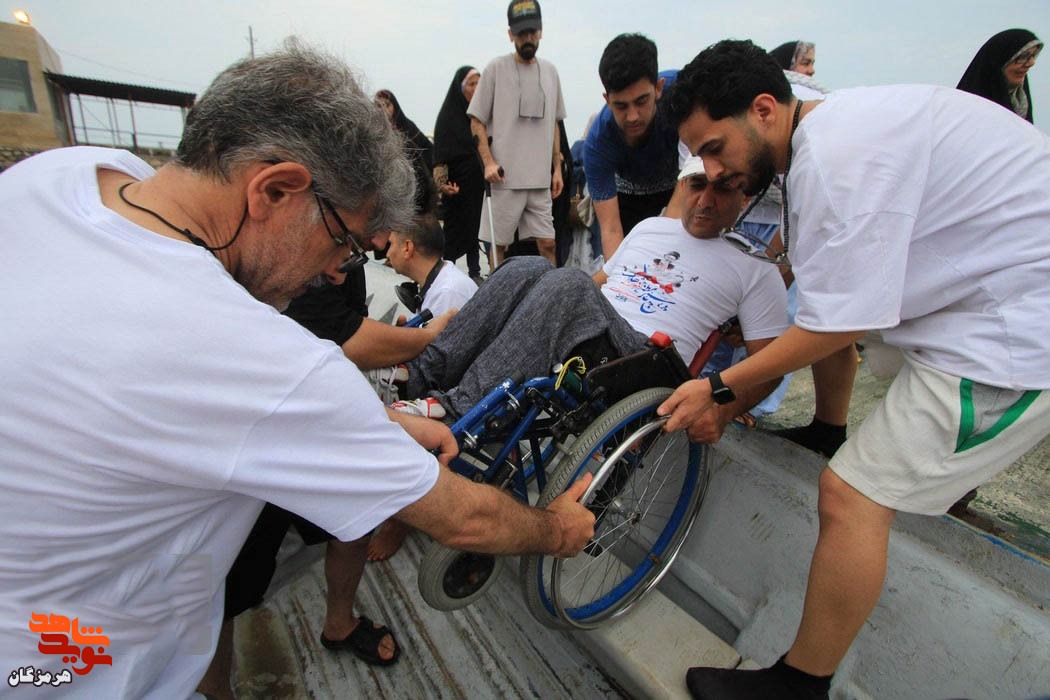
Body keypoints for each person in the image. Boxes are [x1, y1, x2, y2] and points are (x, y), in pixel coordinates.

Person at [0, 41, 595, 698]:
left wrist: (379, 422)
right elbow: (462, 520)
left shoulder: (63, 174)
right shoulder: (251, 353)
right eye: (344, 243)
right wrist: (556, 529)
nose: (339, 272)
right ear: (275, 189)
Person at [662, 39, 1050, 699]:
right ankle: (827, 428)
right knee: (857, 339)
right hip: (982, 295)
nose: (714, 171)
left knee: (852, 496)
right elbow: (827, 286)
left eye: (716, 149)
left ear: (764, 110)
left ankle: (799, 686)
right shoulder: (828, 128)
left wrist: (720, 387)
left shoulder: (834, 160)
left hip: (1015, 333)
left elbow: (833, 327)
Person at [398, 156, 789, 443]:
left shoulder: (755, 269)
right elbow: (598, 283)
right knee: (527, 266)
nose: (705, 199)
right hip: (595, 331)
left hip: (646, 361)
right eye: (698, 184)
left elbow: (770, 368)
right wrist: (537, 292)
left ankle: (456, 410)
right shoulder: (651, 228)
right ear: (682, 185)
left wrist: (723, 411)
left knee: (569, 282)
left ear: (744, 197)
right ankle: (418, 375)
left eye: (722, 188)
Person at [468, 0, 566, 266]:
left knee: (548, 243)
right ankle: (496, 290)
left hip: (539, 179)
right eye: (521, 33)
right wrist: (489, 162)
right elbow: (476, 120)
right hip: (505, 178)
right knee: (498, 246)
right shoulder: (495, 69)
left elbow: (555, 123)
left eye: (532, 32)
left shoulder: (550, 72)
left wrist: (557, 169)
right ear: (511, 34)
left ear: (540, 32)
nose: (528, 38)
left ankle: (552, 290)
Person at [584, 33, 683, 258]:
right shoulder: (597, 143)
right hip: (627, 197)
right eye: (621, 106)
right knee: (626, 260)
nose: (632, 116)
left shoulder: (682, 92)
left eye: (641, 101)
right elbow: (610, 229)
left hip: (680, 184)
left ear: (658, 88)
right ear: (607, 100)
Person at [433, 66, 485, 281]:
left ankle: (475, 272)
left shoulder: (481, 116)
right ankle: (447, 273)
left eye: (479, 83)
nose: (476, 88)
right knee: (454, 231)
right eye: (471, 84)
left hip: (477, 184)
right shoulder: (448, 116)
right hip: (456, 186)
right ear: (460, 88)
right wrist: (442, 184)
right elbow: (440, 154)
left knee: (476, 228)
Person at [387, 214, 477, 318]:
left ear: (407, 248)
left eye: (391, 244)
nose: (388, 254)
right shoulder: (440, 282)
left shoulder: (447, 293)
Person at [957, 28, 1043, 123]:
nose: (1031, 63)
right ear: (1000, 61)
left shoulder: (1020, 100)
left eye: (1033, 55)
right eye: (1023, 57)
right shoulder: (966, 109)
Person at [376, 88, 437, 214]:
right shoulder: (374, 131)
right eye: (378, 106)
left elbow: (427, 151)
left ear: (395, 106)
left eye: (387, 105)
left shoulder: (407, 127)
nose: (383, 110)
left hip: (414, 187)